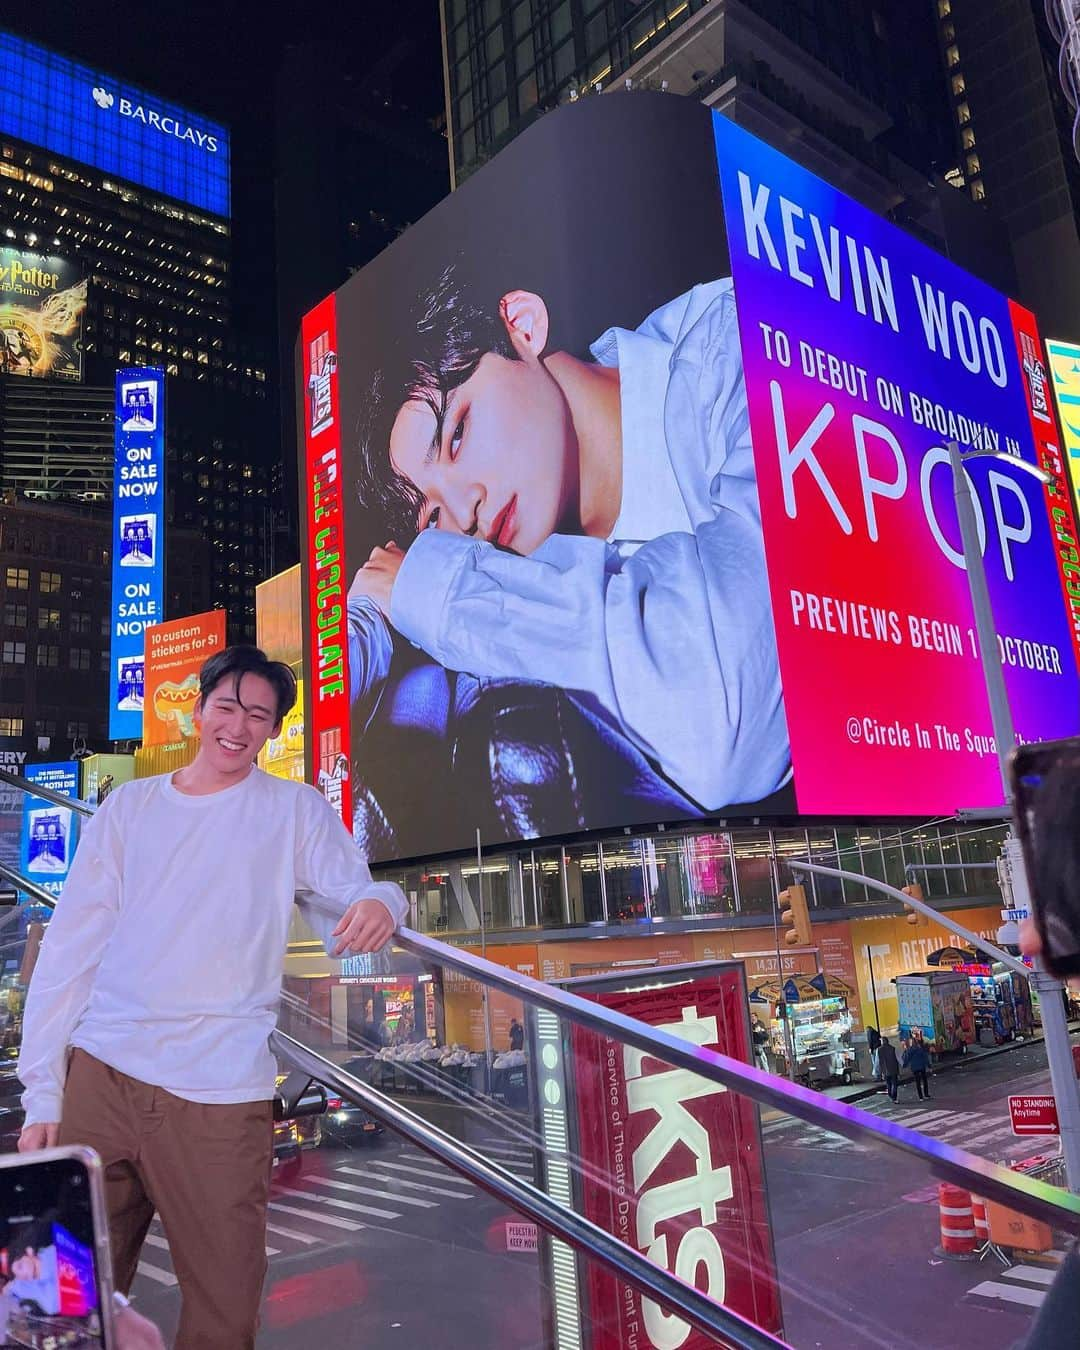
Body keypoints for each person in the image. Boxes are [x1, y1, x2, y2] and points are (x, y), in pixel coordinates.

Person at [16, 645, 408, 1350]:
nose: (238, 725)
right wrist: (44, 1091)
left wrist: (387, 897)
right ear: (198, 710)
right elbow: (69, 953)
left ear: (272, 730)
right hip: (102, 1078)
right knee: (57, 1300)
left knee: (225, 1312)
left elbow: (355, 895)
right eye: (226, 706)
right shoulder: (130, 809)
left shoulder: (292, 811)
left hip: (221, 1097)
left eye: (258, 714)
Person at [347, 267, 789, 815]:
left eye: (458, 433)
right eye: (432, 514)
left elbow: (726, 726)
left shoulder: (748, 344)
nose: (466, 512)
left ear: (522, 327)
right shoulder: (516, 605)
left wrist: (442, 592)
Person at [903, 1033, 932, 1100]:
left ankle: (920, 1097)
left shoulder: (909, 1050)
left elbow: (907, 1059)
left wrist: (905, 1065)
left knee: (918, 1082)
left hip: (915, 1068)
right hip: (922, 1066)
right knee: (924, 1081)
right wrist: (929, 1065)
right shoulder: (920, 1049)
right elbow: (925, 1057)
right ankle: (926, 1094)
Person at [878, 1035, 900, 1102]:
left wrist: (879, 1072)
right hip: (893, 1069)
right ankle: (894, 1097)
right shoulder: (892, 1048)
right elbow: (897, 1059)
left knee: (888, 1084)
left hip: (885, 1070)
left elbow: (879, 1061)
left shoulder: (879, 1050)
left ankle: (890, 1094)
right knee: (894, 1084)